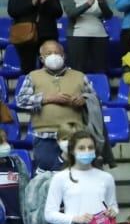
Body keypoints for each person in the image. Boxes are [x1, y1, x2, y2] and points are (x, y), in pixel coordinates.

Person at [15, 39, 97, 172]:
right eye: (48, 53)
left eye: (57, 53)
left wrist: (84, 100)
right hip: (45, 136)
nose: (53, 56)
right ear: (42, 58)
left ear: (63, 56)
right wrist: (47, 99)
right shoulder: (33, 76)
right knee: (47, 175)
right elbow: (21, 101)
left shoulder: (79, 76)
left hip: (75, 136)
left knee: (77, 174)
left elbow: (95, 100)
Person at [7, 0, 63, 76]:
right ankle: (29, 87)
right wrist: (31, 3)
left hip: (47, 35)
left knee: (49, 68)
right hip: (25, 36)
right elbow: (12, 11)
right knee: (28, 68)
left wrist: (45, 4)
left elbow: (58, 13)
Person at [64, 0, 114, 74]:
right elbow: (71, 13)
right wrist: (88, 3)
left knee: (100, 70)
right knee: (78, 71)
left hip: (99, 35)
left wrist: (101, 2)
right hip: (78, 35)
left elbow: (108, 15)